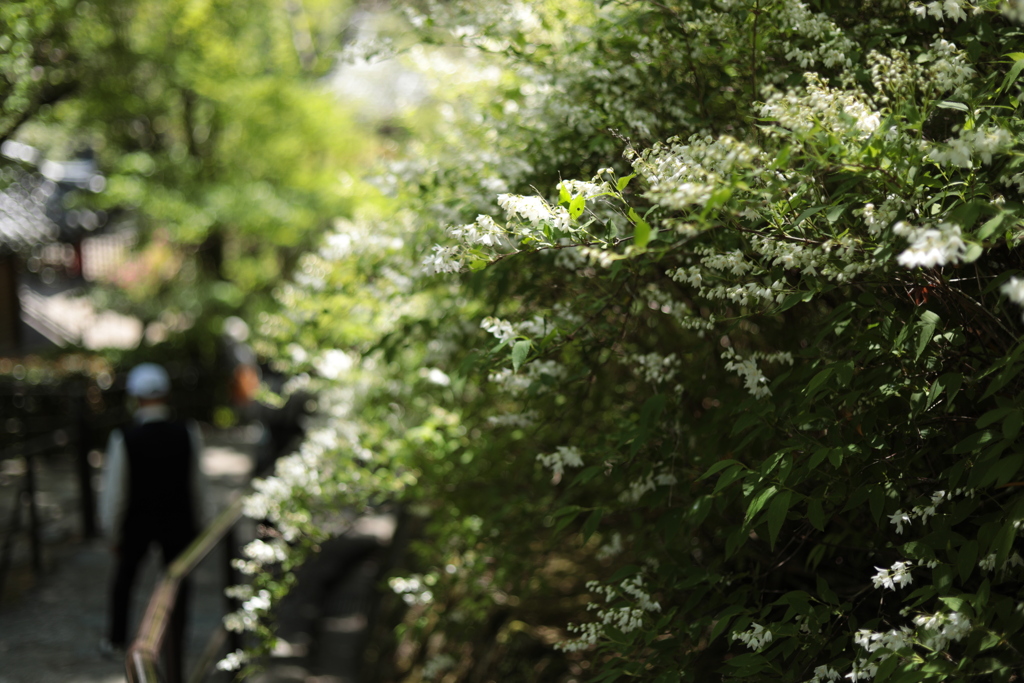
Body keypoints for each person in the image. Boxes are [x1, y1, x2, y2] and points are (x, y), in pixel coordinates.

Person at [98, 362, 208, 664]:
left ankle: (116, 638)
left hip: (137, 523)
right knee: (177, 584)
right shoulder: (188, 431)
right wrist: (203, 522)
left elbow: (115, 494)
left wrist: (112, 530)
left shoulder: (124, 437)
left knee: (124, 580)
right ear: (167, 394)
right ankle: (176, 640)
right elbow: (198, 483)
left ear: (135, 397)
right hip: (179, 521)